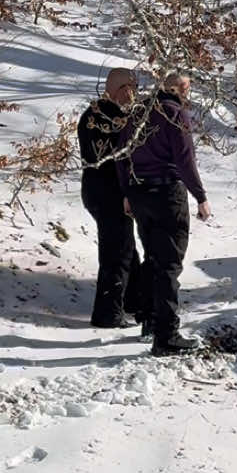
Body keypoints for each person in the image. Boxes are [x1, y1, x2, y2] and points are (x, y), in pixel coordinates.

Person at [117, 72, 211, 358]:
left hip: (140, 193)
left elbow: (121, 153)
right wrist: (201, 196)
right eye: (185, 88)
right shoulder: (174, 114)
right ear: (174, 89)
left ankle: (150, 321)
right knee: (169, 263)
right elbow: (185, 159)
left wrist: (127, 191)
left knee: (153, 258)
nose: (187, 93)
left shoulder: (138, 113)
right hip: (167, 193)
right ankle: (166, 336)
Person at [78, 68, 148, 331]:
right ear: (120, 89)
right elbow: (121, 156)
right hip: (107, 192)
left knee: (126, 249)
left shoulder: (96, 114)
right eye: (132, 88)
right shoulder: (106, 117)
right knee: (116, 253)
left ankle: (135, 301)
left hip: (102, 190)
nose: (135, 94)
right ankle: (107, 314)